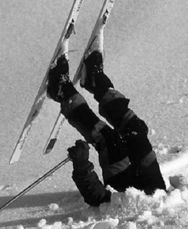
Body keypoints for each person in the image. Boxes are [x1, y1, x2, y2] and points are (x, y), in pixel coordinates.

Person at [47, 23, 166, 207]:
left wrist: (81, 164)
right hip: (151, 185)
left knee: (109, 140)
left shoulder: (128, 217)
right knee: (136, 129)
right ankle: (96, 82)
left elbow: (96, 197)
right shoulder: (168, 205)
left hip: (122, 186)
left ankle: (63, 91)